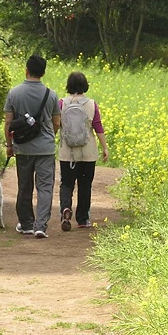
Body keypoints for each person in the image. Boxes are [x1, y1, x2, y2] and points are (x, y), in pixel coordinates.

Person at [4, 55, 60, 239]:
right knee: (45, 187)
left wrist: (9, 145)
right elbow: (57, 123)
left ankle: (26, 223)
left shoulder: (14, 93)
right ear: (43, 72)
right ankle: (40, 226)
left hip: (23, 148)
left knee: (24, 185)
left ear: (26, 70)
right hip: (46, 149)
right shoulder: (51, 95)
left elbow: (8, 123)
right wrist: (49, 137)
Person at [57, 71, 109, 231]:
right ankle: (82, 218)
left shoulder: (61, 103)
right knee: (85, 185)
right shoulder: (92, 104)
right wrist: (105, 147)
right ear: (85, 85)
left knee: (66, 184)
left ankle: (66, 208)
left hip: (67, 152)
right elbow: (98, 126)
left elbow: (56, 124)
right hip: (88, 152)